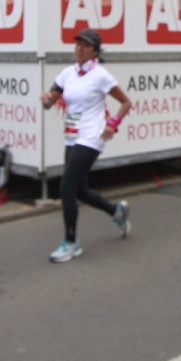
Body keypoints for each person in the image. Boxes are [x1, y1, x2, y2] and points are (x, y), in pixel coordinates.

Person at [39, 28, 132, 263]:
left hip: (91, 136)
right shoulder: (67, 73)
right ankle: (116, 211)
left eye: (85, 46)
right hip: (72, 132)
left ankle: (71, 243)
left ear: (95, 51)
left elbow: (125, 102)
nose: (79, 49)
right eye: (77, 44)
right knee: (80, 190)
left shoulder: (100, 75)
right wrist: (47, 100)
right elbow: (51, 99)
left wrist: (112, 124)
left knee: (66, 188)